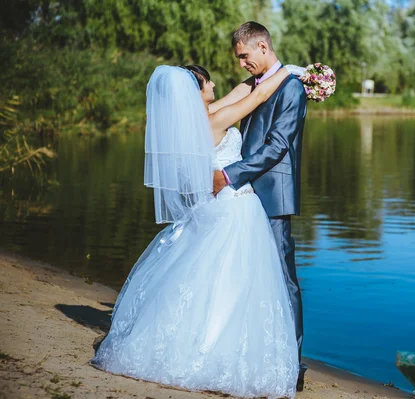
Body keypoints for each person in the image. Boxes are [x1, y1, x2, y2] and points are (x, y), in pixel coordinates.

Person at [91, 63, 303, 399]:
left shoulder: (195, 120)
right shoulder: (213, 121)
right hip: (235, 206)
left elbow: (243, 90)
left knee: (211, 278)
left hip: (214, 206)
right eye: (207, 83)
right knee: (234, 282)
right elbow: (259, 94)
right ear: (196, 92)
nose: (216, 84)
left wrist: (264, 71)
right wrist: (289, 71)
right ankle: (218, 352)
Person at [212, 21, 309, 391]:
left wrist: (229, 175)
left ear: (263, 47)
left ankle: (294, 365)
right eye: (239, 58)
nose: (241, 63)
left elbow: (277, 146)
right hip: (243, 196)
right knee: (247, 277)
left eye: (244, 56)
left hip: (272, 197)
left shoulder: (292, 88)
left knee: (284, 282)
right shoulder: (253, 86)